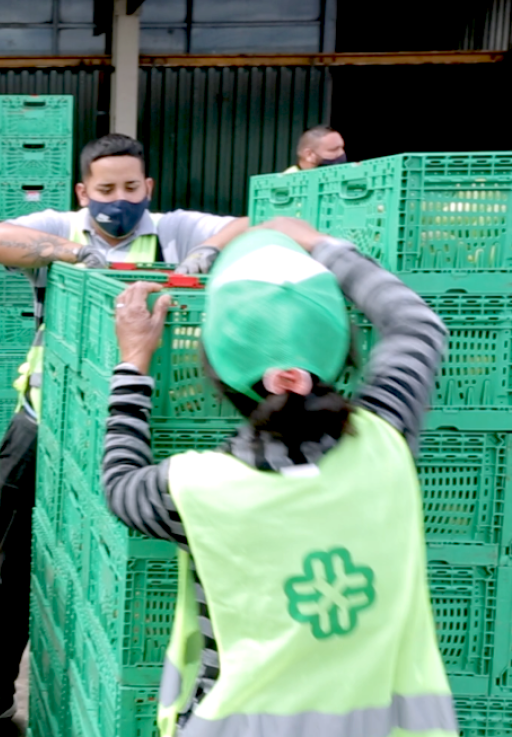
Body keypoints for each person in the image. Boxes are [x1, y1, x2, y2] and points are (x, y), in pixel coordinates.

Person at [0, 133, 251, 737]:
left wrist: (208, 250)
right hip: (46, 421)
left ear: (148, 187)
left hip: (135, 428)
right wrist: (71, 252)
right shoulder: (62, 226)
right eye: (106, 189)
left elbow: (248, 224)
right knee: (17, 564)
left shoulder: (171, 230)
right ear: (84, 192)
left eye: (131, 187)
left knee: (119, 565)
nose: (120, 200)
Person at [106, 219, 454, 736]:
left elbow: (119, 483)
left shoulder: (193, 490)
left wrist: (134, 363)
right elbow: (417, 326)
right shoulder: (387, 438)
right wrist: (322, 246)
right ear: (342, 352)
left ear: (215, 369)